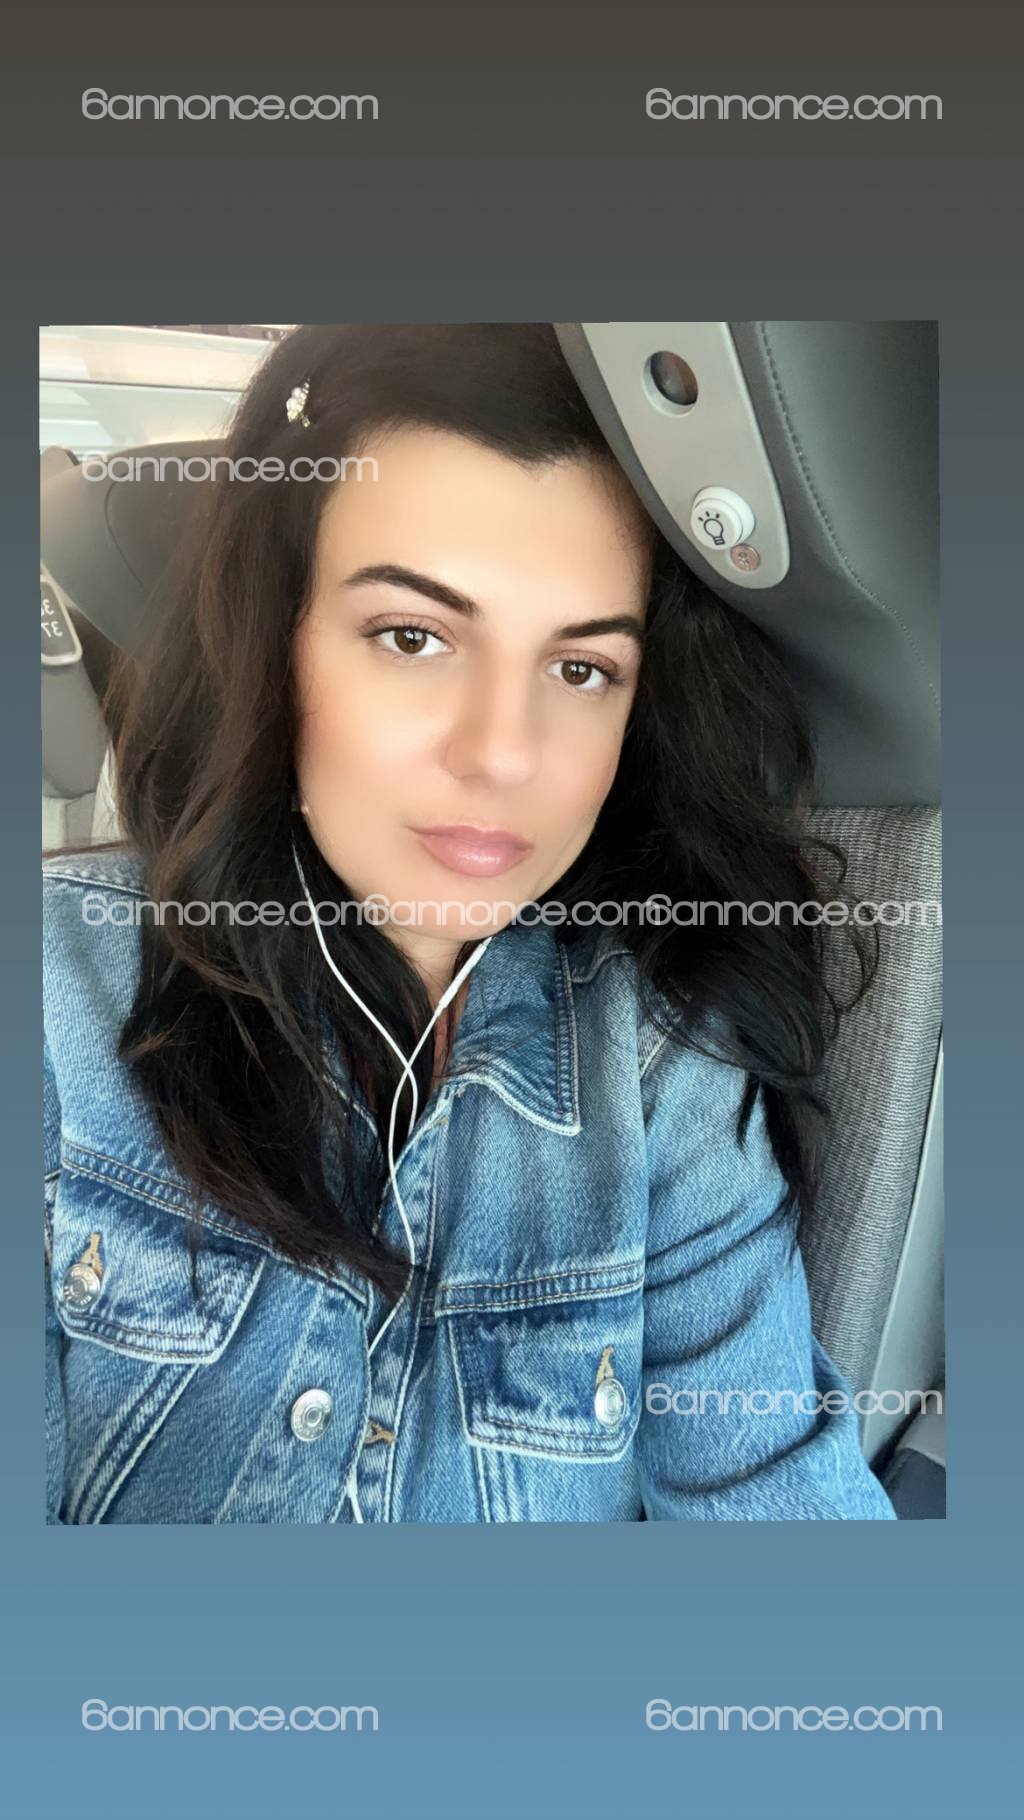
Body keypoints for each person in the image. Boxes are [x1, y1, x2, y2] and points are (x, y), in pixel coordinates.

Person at [44, 322, 896, 1522]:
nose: (502, 753)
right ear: (275, 649)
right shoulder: (54, 991)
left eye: (580, 667)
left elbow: (772, 1494)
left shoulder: (659, 1064)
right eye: (413, 636)